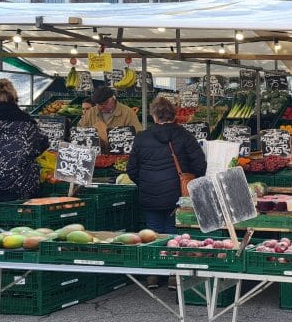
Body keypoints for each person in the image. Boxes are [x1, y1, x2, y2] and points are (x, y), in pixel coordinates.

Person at [128, 97, 206, 289]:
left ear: (154, 116)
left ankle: (154, 274)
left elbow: (131, 169)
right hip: (176, 195)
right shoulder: (185, 136)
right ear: (175, 114)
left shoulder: (141, 137)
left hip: (149, 192)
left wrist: (146, 182)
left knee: (153, 232)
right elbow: (200, 165)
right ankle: (173, 274)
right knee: (173, 231)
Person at [0, 79, 50, 203]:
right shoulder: (27, 125)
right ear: (14, 98)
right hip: (23, 187)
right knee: (23, 221)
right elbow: (43, 144)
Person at [78, 86, 142, 150]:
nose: (101, 107)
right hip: (96, 152)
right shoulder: (91, 112)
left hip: (120, 153)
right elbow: (79, 129)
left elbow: (138, 134)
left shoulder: (127, 112)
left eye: (105, 104)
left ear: (113, 99)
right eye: (99, 105)